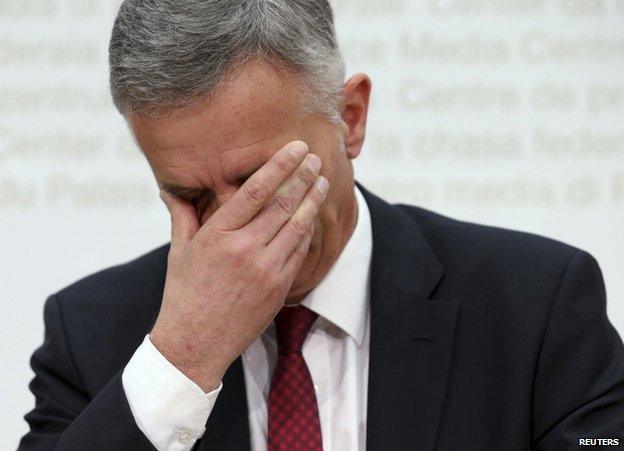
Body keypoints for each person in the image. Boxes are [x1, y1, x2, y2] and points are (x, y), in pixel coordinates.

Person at [18, 1, 624, 450]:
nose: (235, 227)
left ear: (350, 118)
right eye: (191, 195)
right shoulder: (93, 335)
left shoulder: (537, 308)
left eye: (262, 180)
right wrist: (183, 359)